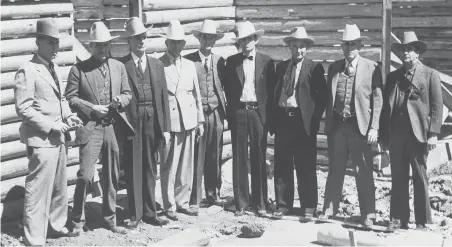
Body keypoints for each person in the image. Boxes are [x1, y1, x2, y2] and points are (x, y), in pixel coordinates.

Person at [14, 17, 82, 246]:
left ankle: (55, 226)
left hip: (59, 138)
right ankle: (34, 237)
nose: (56, 47)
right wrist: (51, 124)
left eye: (57, 42)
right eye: (51, 42)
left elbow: (61, 99)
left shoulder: (53, 67)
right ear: (38, 42)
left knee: (59, 187)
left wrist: (68, 116)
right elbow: (23, 108)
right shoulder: (28, 70)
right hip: (41, 140)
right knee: (38, 190)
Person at [66, 21, 134, 234]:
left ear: (109, 46)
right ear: (91, 46)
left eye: (105, 45)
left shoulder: (118, 67)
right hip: (90, 127)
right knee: (85, 175)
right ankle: (77, 221)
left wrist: (119, 101)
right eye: (97, 45)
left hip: (112, 126)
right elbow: (70, 98)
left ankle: (109, 218)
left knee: (112, 175)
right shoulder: (79, 69)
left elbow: (127, 93)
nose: (102, 49)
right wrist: (91, 107)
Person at [318, 24, 382, 227]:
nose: (350, 47)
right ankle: (328, 210)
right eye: (346, 44)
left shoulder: (372, 68)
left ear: (360, 45)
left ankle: (368, 215)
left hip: (359, 127)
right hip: (338, 126)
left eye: (354, 44)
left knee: (363, 171)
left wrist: (374, 127)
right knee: (335, 169)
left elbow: (378, 100)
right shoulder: (335, 67)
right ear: (342, 47)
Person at [381, 31, 443, 230]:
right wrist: (384, 135)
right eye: (403, 50)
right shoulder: (393, 77)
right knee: (398, 177)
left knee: (419, 176)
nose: (406, 53)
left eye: (410, 50)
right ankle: (398, 218)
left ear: (417, 53)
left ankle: (422, 220)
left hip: (418, 134)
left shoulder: (429, 75)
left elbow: (437, 106)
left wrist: (433, 133)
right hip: (397, 134)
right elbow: (385, 108)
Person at [118, 17, 171, 229]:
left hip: (152, 122)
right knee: (133, 168)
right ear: (129, 42)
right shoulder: (122, 65)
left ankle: (151, 212)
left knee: (150, 167)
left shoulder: (157, 64)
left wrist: (165, 128)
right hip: (131, 123)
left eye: (143, 36)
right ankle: (135, 214)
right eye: (136, 38)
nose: (141, 40)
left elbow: (164, 99)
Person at [271, 27, 327, 221]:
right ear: (290, 47)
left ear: (307, 48)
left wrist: (313, 120)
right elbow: (275, 94)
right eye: (295, 46)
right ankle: (283, 205)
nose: (299, 50)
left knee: (306, 165)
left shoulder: (314, 68)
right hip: (284, 120)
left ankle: (309, 206)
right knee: (283, 163)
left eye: (302, 47)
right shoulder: (282, 67)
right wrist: (274, 121)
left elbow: (322, 98)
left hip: (303, 123)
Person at [223, 21, 276, 217]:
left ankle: (260, 202)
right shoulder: (231, 62)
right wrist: (232, 115)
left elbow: (271, 92)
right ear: (239, 42)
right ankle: (241, 203)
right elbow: (228, 91)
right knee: (239, 158)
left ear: (255, 40)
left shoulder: (267, 62)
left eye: (249, 39)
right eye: (242, 40)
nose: (246, 43)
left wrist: (268, 120)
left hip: (258, 113)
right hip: (239, 112)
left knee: (259, 157)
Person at [158, 20, 205, 220]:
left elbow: (197, 94)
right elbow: (158, 98)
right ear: (166, 43)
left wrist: (200, 120)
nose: (176, 46)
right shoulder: (159, 64)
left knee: (186, 164)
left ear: (184, 44)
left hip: (189, 119)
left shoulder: (190, 65)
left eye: (180, 43)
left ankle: (182, 202)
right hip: (171, 122)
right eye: (173, 42)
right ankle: (169, 205)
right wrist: (162, 127)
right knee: (169, 165)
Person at [184, 19, 227, 211]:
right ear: (199, 38)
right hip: (197, 115)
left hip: (216, 113)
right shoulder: (189, 60)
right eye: (205, 37)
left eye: (211, 37)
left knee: (214, 154)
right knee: (197, 155)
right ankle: (195, 197)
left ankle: (213, 194)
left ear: (215, 40)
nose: (208, 40)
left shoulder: (220, 61)